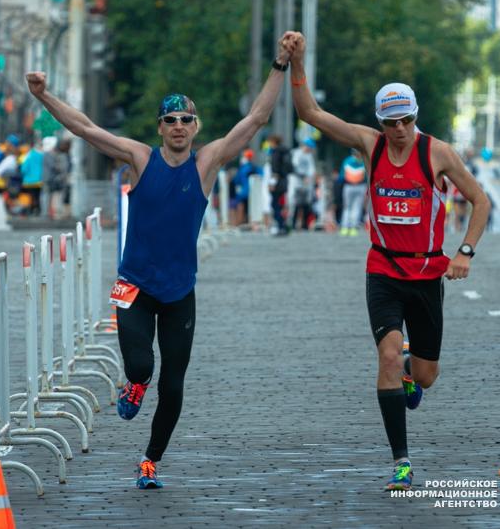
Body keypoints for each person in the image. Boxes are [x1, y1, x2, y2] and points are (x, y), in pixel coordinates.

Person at [26, 31, 297, 490]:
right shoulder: (139, 158)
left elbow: (255, 118)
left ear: (196, 126)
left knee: (173, 386)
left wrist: (280, 64)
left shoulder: (207, 163)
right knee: (141, 368)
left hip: (179, 291)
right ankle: (132, 385)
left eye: (185, 119)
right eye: (169, 119)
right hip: (133, 284)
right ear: (159, 128)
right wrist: (43, 95)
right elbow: (86, 129)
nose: (177, 126)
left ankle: (150, 460)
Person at [287, 32, 490, 491]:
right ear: (379, 122)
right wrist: (298, 64)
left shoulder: (437, 153)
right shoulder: (369, 145)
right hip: (382, 268)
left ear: (416, 117)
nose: (399, 130)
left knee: (426, 375)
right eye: (391, 122)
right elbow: (310, 113)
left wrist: (464, 252)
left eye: (406, 120)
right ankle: (401, 461)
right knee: (387, 353)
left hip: (426, 271)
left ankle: (409, 377)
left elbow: (480, 201)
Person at [267, 134, 290, 235]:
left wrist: (272, 183)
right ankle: (284, 225)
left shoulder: (276, 152)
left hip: (277, 182)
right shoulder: (285, 152)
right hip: (284, 181)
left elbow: (275, 168)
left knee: (274, 204)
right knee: (281, 204)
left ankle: (281, 225)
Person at [339, 148, 366, 236]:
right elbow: (366, 176)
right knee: (356, 207)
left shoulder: (347, 160)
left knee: (347, 207)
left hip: (348, 186)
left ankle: (344, 227)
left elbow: (342, 175)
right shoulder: (363, 161)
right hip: (360, 186)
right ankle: (353, 228)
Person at [290, 138, 316, 230]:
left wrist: (310, 177)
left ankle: (305, 224)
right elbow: (294, 166)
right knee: (297, 204)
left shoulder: (309, 156)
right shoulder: (297, 153)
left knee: (305, 204)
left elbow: (312, 169)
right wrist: (303, 176)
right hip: (297, 182)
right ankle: (293, 224)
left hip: (306, 183)